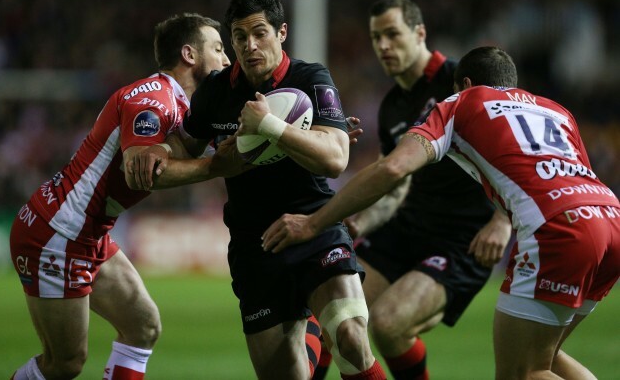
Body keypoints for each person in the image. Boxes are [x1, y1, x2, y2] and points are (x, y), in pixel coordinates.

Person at [262, 46, 620, 380]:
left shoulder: (460, 102)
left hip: (560, 230)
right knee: (547, 356)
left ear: (462, 84)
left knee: (522, 372)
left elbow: (392, 169)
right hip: (609, 219)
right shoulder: (556, 110)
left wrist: (313, 223)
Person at [132, 0, 386, 380]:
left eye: (260, 33)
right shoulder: (216, 91)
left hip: (313, 226)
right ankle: (311, 334)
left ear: (281, 33)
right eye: (239, 37)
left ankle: (318, 327)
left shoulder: (311, 77)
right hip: (255, 244)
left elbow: (336, 158)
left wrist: (269, 125)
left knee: (352, 337)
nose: (250, 46)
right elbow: (187, 145)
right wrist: (159, 151)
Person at [9, 13, 231, 380]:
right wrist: (219, 167)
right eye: (219, 48)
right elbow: (140, 171)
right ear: (189, 54)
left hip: (87, 233)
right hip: (57, 234)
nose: (226, 59)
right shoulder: (153, 99)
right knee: (64, 364)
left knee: (143, 327)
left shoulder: (183, 108)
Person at [314, 0, 512, 380]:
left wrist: (504, 220)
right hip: (408, 227)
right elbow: (396, 184)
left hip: (462, 239)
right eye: (376, 37)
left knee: (389, 325)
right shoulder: (392, 106)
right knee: (331, 312)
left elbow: (514, 144)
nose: (383, 46)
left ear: (419, 33)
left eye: (392, 34)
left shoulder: (462, 80)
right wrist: (362, 222)